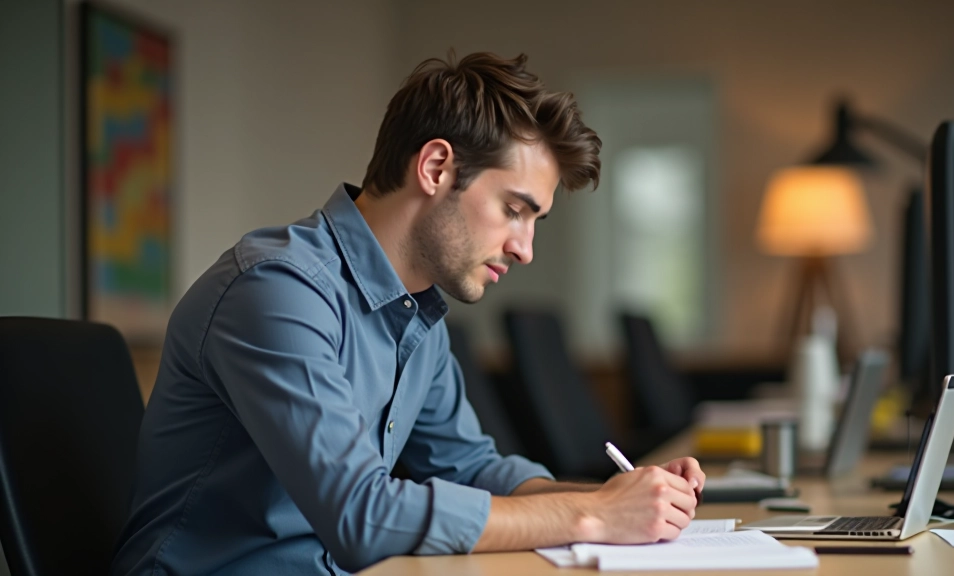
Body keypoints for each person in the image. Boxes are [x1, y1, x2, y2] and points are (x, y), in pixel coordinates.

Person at [111, 51, 705, 576]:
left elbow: (472, 467)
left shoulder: (418, 317)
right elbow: (361, 517)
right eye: (514, 210)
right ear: (436, 168)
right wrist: (594, 515)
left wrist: (626, 497)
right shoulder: (276, 291)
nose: (525, 248)